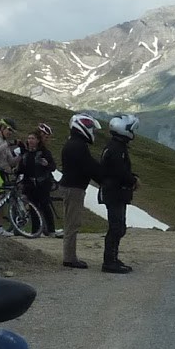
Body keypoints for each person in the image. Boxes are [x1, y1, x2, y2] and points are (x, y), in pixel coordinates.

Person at [60, 114, 103, 269]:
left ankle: (70, 256)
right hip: (74, 188)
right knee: (72, 223)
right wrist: (105, 177)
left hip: (71, 187)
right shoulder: (78, 146)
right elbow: (90, 167)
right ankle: (69, 258)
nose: (93, 132)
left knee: (71, 222)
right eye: (91, 128)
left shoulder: (73, 143)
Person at [99, 114, 140, 274]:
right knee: (116, 227)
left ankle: (113, 258)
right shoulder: (117, 149)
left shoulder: (115, 146)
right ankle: (109, 261)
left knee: (118, 227)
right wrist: (133, 181)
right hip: (114, 193)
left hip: (115, 193)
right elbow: (119, 172)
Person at [16, 131, 58, 237]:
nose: (30, 140)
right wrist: (16, 173)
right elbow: (21, 169)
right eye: (29, 138)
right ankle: (36, 231)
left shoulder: (44, 152)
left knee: (45, 206)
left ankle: (51, 230)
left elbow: (53, 167)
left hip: (42, 183)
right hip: (29, 184)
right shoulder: (25, 154)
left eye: (33, 138)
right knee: (33, 208)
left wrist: (46, 164)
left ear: (38, 140)